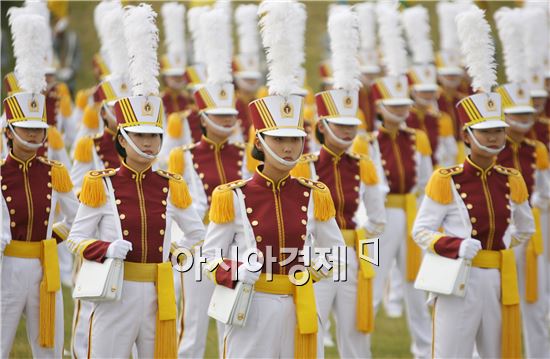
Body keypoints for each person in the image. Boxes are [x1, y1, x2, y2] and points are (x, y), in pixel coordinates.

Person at [202, 2, 344, 357]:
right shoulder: (231, 196)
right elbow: (207, 257)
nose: (289, 147)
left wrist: (313, 270)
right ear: (261, 144)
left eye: (295, 139)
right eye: (279, 139)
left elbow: (337, 251)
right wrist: (235, 271)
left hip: (302, 301)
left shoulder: (315, 194)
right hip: (249, 306)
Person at [66, 5, 205, 358]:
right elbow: (77, 238)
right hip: (115, 289)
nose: (149, 143)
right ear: (122, 139)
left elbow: (197, 236)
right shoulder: (102, 184)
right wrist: (104, 250)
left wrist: (175, 251)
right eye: (140, 136)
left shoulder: (171, 184)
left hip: (159, 291)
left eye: (155, 136)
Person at [413, 7, 535, 358]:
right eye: (487, 131)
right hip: (455, 280)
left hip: (498, 280)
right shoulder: (445, 179)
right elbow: (421, 232)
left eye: (499, 130)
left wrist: (507, 242)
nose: (496, 138)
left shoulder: (511, 179)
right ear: (468, 134)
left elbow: (524, 228)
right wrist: (453, 245)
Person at [290, 7, 386, 358]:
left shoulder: (364, 165)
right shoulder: (304, 166)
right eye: (340, 126)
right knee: (310, 328)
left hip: (355, 255)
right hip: (314, 256)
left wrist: (365, 252)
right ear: (322, 127)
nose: (347, 133)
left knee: (356, 334)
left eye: (351, 127)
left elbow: (378, 219)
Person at [167, 7, 249, 357]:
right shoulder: (182, 156)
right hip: (198, 245)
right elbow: (174, 203)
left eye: (231, 114)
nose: (228, 120)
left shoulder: (245, 153)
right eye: (219, 114)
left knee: (235, 319)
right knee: (194, 325)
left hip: (237, 244)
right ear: (202, 117)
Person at [1, 10, 78, 357]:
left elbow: (76, 215)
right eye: (26, 128)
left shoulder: (54, 171)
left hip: (44, 262)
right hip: (7, 264)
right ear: (9, 131)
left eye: (38, 129)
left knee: (49, 343)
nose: (33, 135)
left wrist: (57, 236)